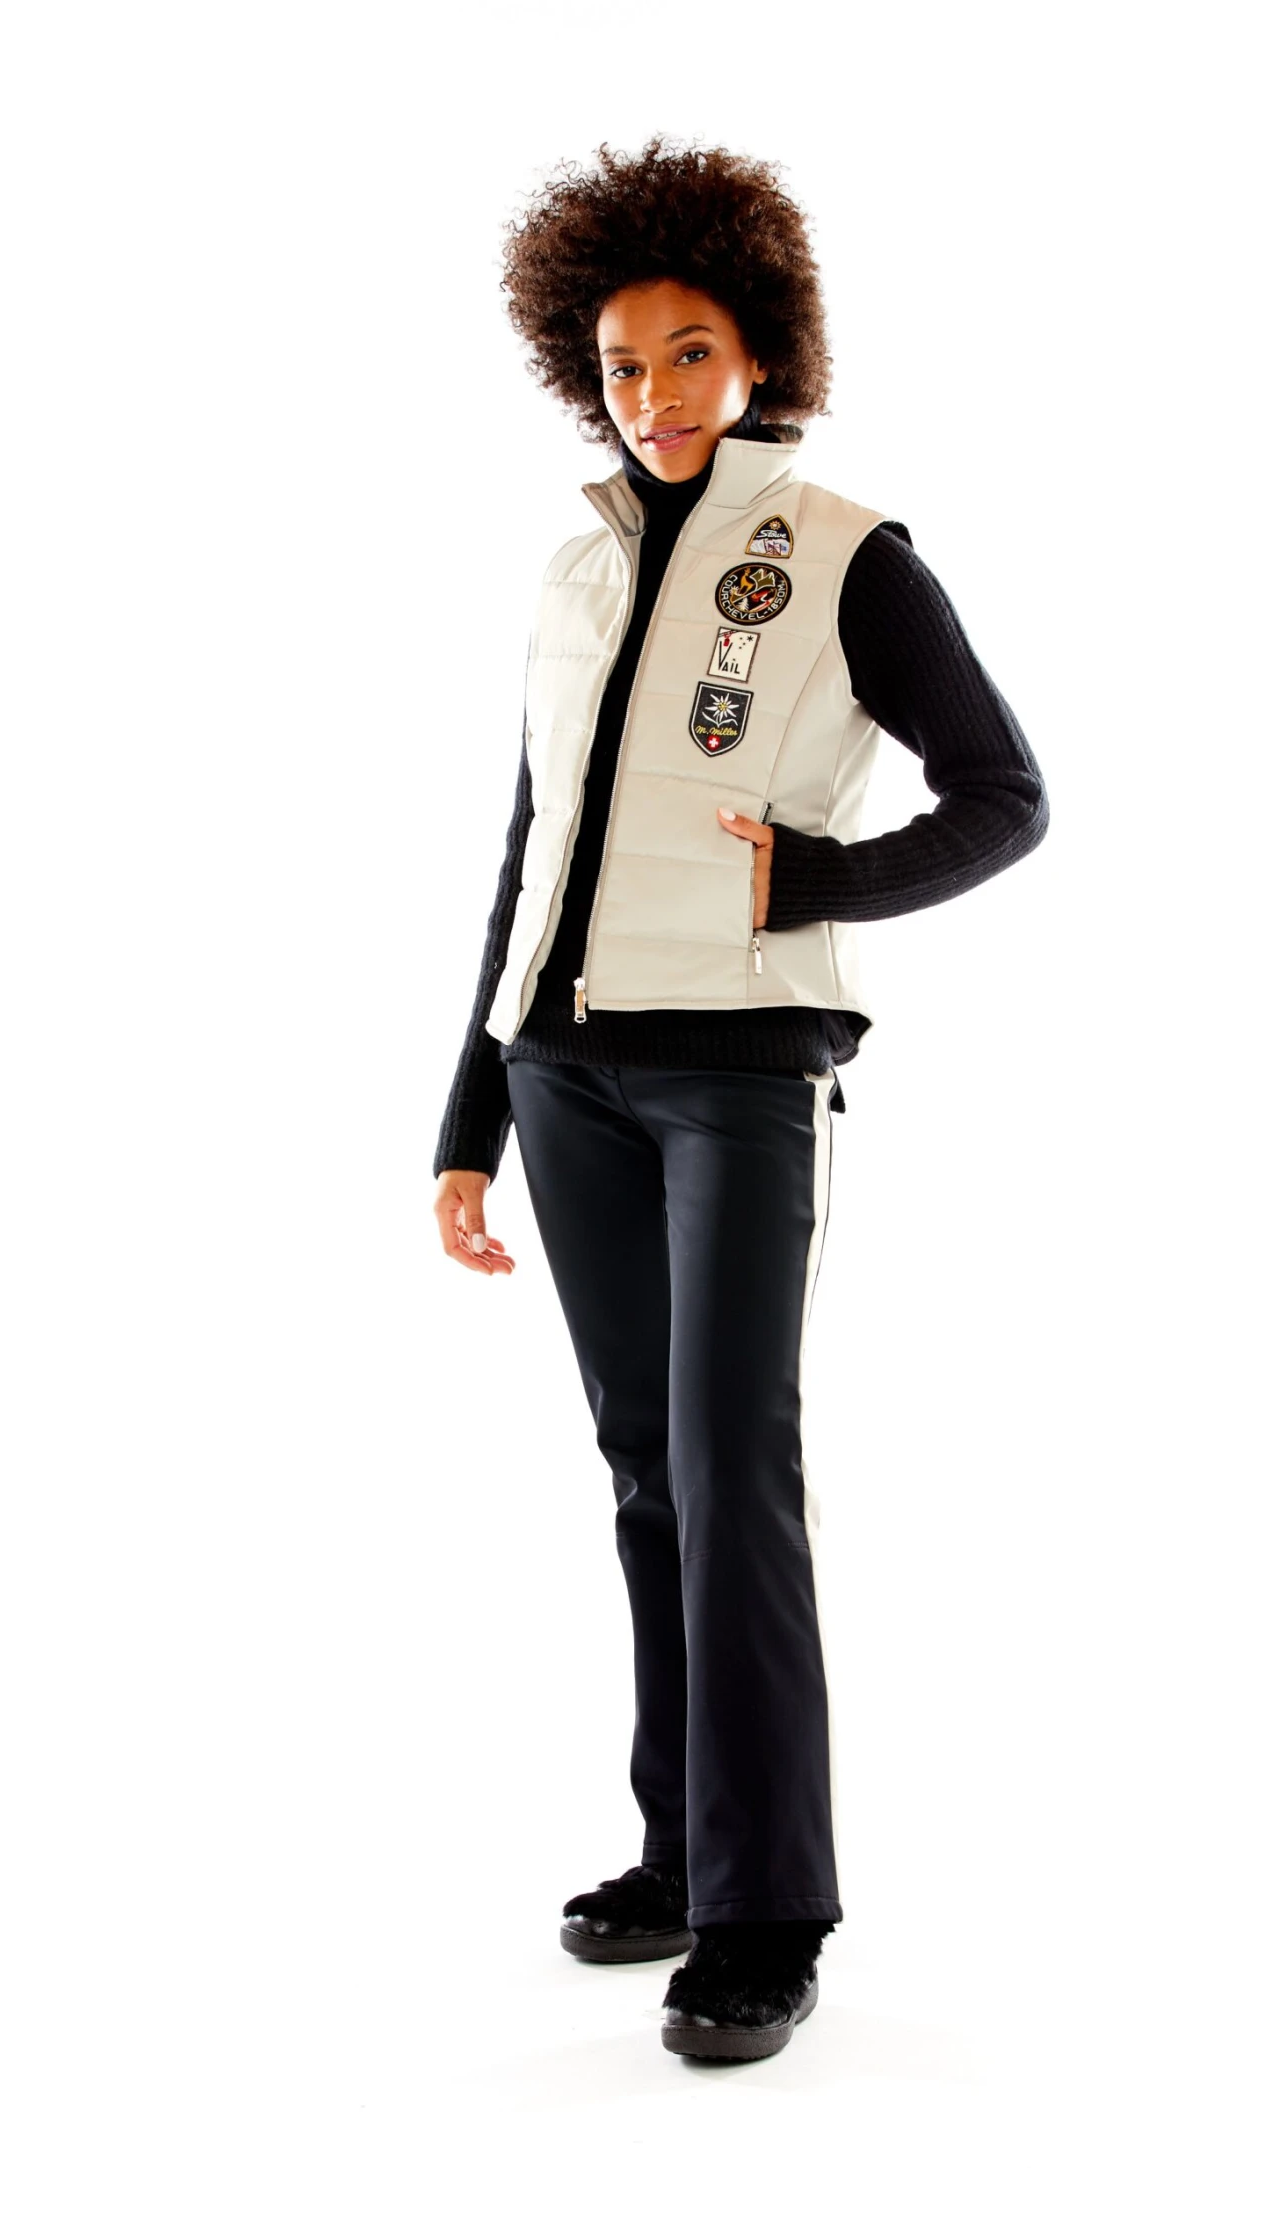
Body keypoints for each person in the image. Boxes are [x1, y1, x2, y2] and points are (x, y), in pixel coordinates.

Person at [431, 134, 1049, 2065]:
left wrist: (814, 881)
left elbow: (1004, 797)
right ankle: (685, 1847)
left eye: (689, 352)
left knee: (731, 1469)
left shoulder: (850, 555)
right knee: (642, 1470)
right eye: (622, 364)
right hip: (564, 1074)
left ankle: (771, 1905)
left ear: (760, 349)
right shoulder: (575, 566)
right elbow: (534, 849)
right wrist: (466, 1119)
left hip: (740, 1079)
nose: (656, 393)